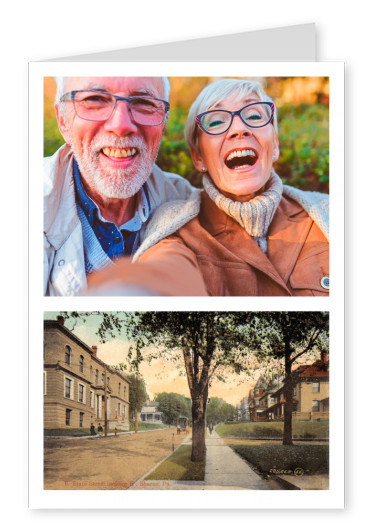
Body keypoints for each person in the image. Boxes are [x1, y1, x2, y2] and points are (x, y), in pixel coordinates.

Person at [88, 78, 329, 296]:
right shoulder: (176, 228)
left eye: (254, 116)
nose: (239, 129)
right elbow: (165, 271)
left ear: (274, 144)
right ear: (198, 157)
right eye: (216, 121)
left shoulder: (328, 213)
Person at [44, 76, 198, 296]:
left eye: (144, 103)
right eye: (95, 99)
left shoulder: (187, 204)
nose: (121, 125)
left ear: (163, 121)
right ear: (62, 120)